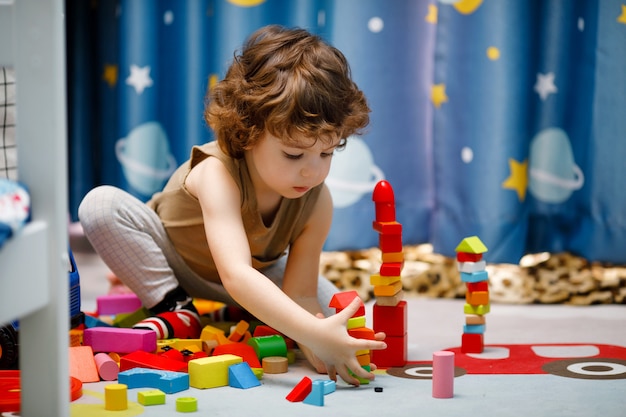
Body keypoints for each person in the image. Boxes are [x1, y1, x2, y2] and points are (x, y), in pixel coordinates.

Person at [79, 24, 386, 386]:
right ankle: (174, 307)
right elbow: (235, 273)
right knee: (99, 206)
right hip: (178, 261)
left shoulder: (318, 201)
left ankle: (246, 312)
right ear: (249, 132)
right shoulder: (216, 173)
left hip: (257, 272)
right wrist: (312, 331)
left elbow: (300, 291)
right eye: (293, 153)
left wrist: (320, 340)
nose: (312, 170)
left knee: (340, 320)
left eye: (326, 152)